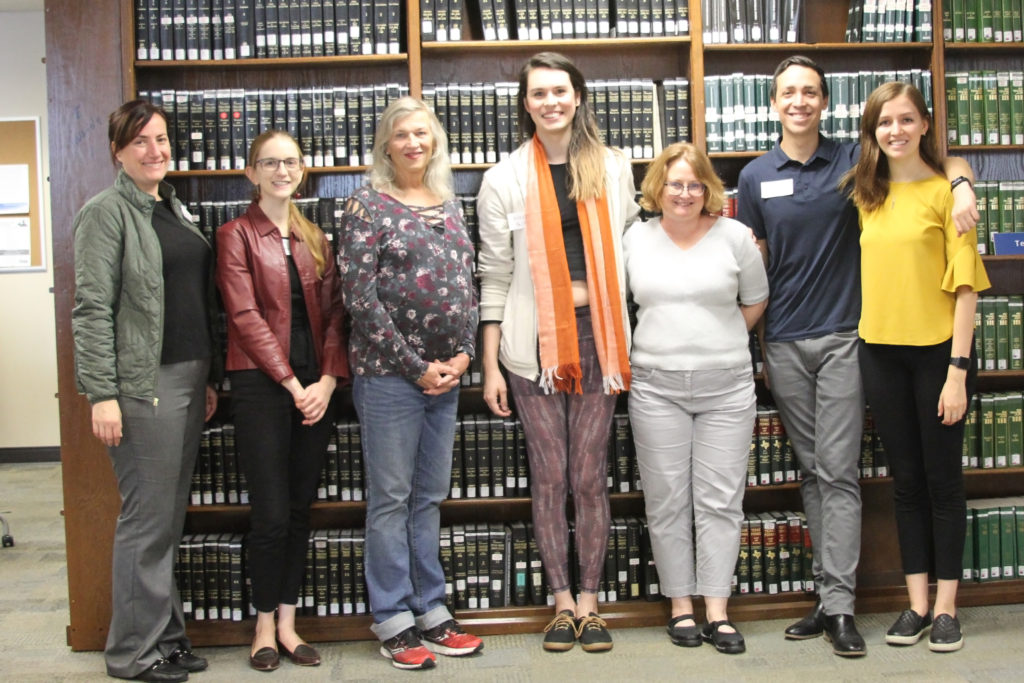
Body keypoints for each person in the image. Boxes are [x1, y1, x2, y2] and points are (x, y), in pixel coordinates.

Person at [736, 55, 979, 658]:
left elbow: (931, 158)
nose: (799, 101)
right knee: (814, 471)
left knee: (838, 471)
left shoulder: (854, 160)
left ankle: (841, 607)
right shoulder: (752, 176)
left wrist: (963, 180)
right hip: (784, 339)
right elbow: (753, 261)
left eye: (810, 92)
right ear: (774, 103)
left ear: (825, 102)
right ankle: (827, 598)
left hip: (849, 336)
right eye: (788, 92)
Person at [476, 52, 639, 653]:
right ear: (526, 104)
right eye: (539, 93)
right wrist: (489, 364)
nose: (551, 101)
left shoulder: (613, 169)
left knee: (589, 476)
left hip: (601, 342)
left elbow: (632, 253)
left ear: (578, 98)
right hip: (531, 348)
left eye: (560, 91)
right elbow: (493, 276)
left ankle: (592, 603)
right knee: (549, 477)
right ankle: (561, 603)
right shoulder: (504, 179)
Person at [71, 99, 218, 683]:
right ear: (118, 151)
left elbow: (187, 301)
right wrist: (101, 394)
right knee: (147, 522)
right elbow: (90, 311)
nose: (155, 151)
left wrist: (205, 378)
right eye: (141, 143)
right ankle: (131, 654)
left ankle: (167, 638)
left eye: (161, 140)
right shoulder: (105, 213)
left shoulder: (171, 207)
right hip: (142, 386)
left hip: (186, 378)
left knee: (168, 520)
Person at [842, 81, 989, 653]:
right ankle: (916, 605)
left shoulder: (950, 198)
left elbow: (968, 290)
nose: (895, 130)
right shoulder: (865, 194)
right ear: (872, 133)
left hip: (938, 357)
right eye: (884, 122)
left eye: (906, 119)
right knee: (905, 485)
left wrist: (958, 370)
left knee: (943, 483)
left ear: (925, 124)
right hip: (879, 353)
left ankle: (948, 608)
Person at [337, 96, 483, 671]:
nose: (414, 143)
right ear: (386, 144)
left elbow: (466, 284)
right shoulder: (365, 205)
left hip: (446, 377)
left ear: (435, 140)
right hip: (390, 379)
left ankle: (432, 609)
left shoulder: (448, 204)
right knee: (391, 499)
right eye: (403, 135)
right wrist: (414, 365)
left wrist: (465, 353)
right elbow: (360, 299)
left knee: (429, 498)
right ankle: (394, 617)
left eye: (423, 133)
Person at [625, 143, 768, 654]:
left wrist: (717, 340)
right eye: (673, 183)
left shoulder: (734, 237)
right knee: (666, 502)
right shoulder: (634, 240)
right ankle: (680, 605)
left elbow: (754, 301)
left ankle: (717, 609)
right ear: (656, 188)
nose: (683, 193)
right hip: (656, 387)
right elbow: (621, 307)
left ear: (708, 188)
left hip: (726, 388)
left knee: (720, 502)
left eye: (693, 184)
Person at [216, 130, 349, 672]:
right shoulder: (234, 235)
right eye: (268, 163)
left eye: (290, 162)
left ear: (303, 171)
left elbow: (339, 315)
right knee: (269, 513)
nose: (280, 171)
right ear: (252, 173)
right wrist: (295, 386)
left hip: (315, 390)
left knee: (299, 511)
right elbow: (244, 318)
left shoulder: (315, 237)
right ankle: (263, 625)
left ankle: (290, 625)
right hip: (262, 389)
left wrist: (327, 382)